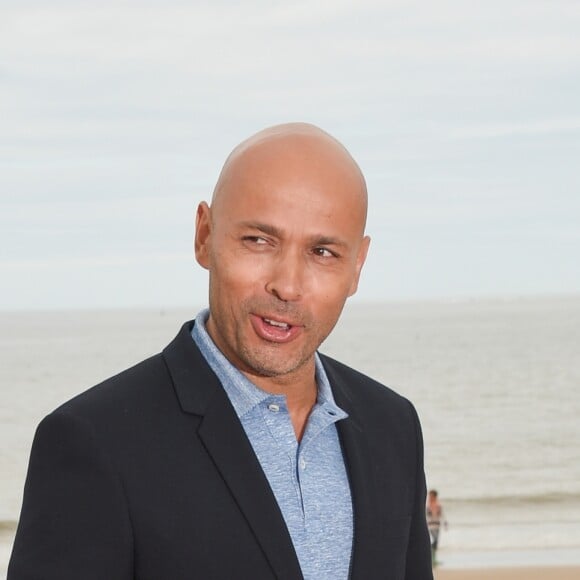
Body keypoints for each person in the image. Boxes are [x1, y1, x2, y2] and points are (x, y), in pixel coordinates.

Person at [8, 123, 433, 579]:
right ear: (204, 236)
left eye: (323, 252)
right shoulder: (94, 441)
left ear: (357, 267)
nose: (287, 285)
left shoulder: (394, 426)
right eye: (259, 240)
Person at [426, 489, 447, 566]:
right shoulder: (427, 506)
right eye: (429, 495)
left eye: (431, 496)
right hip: (430, 526)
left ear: (435, 496)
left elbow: (443, 515)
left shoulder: (439, 506)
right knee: (434, 540)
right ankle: (431, 559)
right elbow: (425, 517)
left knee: (436, 542)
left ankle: (434, 560)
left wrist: (445, 523)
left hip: (437, 526)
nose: (429, 497)